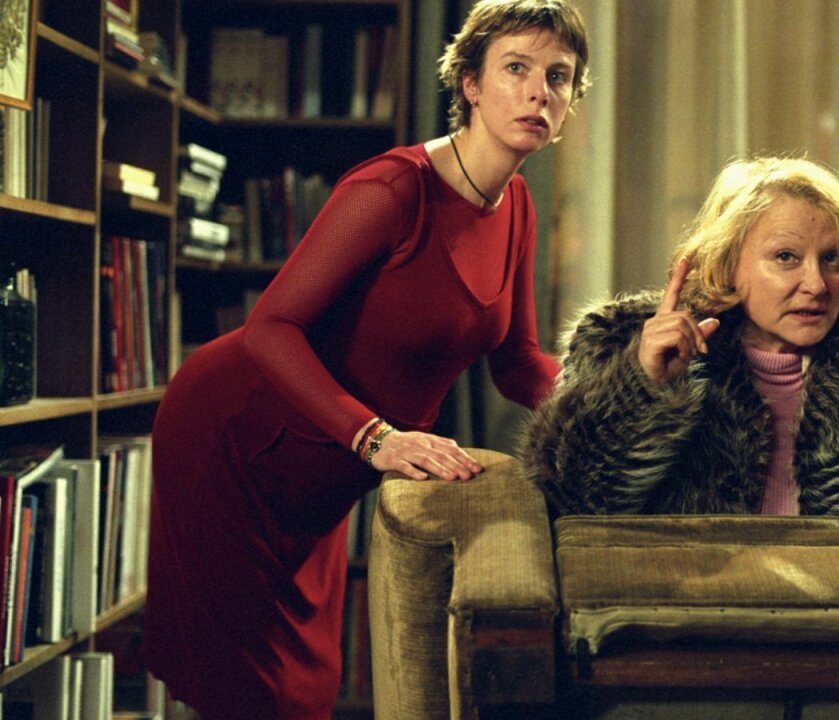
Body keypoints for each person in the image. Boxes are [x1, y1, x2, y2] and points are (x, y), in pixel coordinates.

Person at [142, 2, 589, 717]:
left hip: (326, 473)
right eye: (517, 68)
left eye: (558, 77)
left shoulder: (516, 206)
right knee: (253, 696)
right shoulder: (392, 189)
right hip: (237, 444)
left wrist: (614, 395)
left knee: (304, 691)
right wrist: (377, 438)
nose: (540, 91)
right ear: (471, 84)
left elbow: (517, 363)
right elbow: (270, 328)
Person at [521, 156, 839, 548]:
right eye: (786, 257)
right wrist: (642, 385)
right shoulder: (622, 342)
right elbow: (573, 500)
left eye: (831, 258)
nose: (816, 284)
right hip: (695, 605)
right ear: (728, 264)